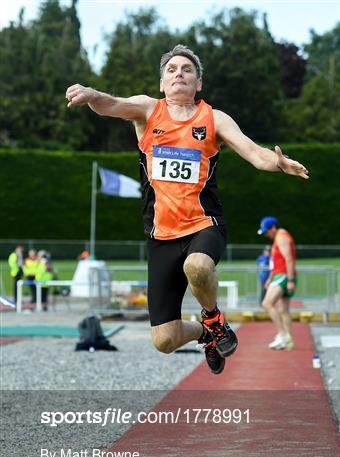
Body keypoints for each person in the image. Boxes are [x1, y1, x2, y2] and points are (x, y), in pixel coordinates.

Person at [66, 44, 309, 374]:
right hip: (161, 235)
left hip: (204, 225)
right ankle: (206, 332)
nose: (178, 73)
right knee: (164, 340)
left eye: (187, 69)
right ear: (162, 83)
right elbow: (110, 105)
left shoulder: (214, 119)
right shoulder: (147, 110)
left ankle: (213, 316)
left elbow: (254, 152)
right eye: (171, 70)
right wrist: (90, 92)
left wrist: (278, 163)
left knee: (197, 267)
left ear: (199, 84)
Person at [258, 216, 297, 350]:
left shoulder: (282, 237)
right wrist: (270, 278)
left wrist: (290, 280)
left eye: (267, 231)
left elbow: (289, 259)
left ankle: (282, 334)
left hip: (284, 276)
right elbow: (277, 262)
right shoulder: (278, 238)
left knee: (267, 303)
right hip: (280, 274)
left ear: (273, 228)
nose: (266, 234)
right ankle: (289, 340)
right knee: (283, 310)